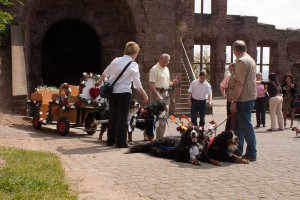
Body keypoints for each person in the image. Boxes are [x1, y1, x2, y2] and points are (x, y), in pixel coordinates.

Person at [98, 41, 148, 148]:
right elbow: (137, 83)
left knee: (113, 116)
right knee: (123, 118)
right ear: (135, 53)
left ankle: (110, 140)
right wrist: (144, 94)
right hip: (124, 93)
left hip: (112, 93)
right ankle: (121, 142)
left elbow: (105, 72)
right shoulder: (133, 65)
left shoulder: (116, 60)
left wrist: (99, 81)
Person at [230, 40, 257, 162]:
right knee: (239, 126)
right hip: (249, 96)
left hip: (243, 98)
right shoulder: (250, 59)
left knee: (245, 126)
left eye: (233, 50)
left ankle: (251, 152)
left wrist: (234, 101)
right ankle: (238, 150)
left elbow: (240, 83)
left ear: (235, 50)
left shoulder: (241, 61)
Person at [149, 53, 178, 139]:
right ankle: (149, 134)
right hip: (156, 92)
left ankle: (160, 136)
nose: (166, 63)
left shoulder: (166, 69)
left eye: (167, 62)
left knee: (164, 114)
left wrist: (173, 83)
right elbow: (151, 84)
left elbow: (167, 82)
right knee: (154, 115)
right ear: (160, 59)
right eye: (165, 61)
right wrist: (157, 95)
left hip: (165, 93)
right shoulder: (154, 69)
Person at [220, 63, 235, 130]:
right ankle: (228, 130)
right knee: (229, 116)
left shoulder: (239, 76)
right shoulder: (228, 77)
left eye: (230, 68)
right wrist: (223, 94)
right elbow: (222, 86)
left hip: (238, 100)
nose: (229, 69)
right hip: (230, 99)